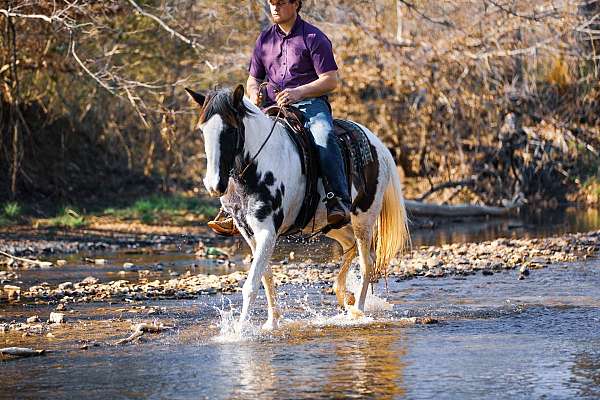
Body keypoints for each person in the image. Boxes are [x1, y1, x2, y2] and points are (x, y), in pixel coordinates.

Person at [208, 0, 351, 235]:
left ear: (296, 4)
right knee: (239, 138)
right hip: (273, 107)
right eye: (270, 2)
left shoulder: (314, 37)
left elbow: (331, 80)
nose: (274, 7)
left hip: (310, 105)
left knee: (324, 137)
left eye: (281, 2)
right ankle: (231, 207)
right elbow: (253, 79)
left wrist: (299, 91)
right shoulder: (264, 39)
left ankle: (338, 199)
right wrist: (254, 93)